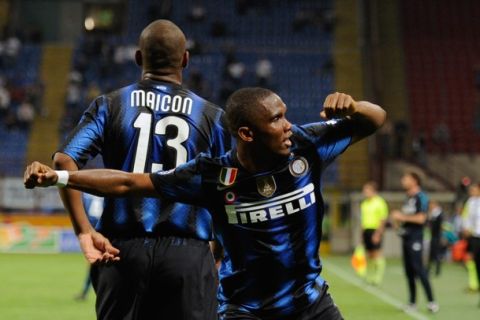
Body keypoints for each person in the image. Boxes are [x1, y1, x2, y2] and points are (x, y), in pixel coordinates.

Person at [25, 88, 386, 319]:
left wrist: (354, 106)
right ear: (246, 133)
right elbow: (128, 182)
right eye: (277, 119)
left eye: (285, 114)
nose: (288, 125)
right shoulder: (211, 176)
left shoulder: (307, 145)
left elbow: (375, 119)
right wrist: (59, 177)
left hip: (311, 304)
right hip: (245, 311)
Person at [53, 20, 231, 320]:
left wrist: (84, 230)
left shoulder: (111, 105)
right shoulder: (213, 117)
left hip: (121, 253)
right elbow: (229, 186)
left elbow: (63, 162)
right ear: (185, 59)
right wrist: (218, 250)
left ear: (138, 58)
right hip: (187, 253)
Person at [391, 172, 439, 313]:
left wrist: (401, 216)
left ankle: (432, 301)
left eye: (405, 179)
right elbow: (406, 218)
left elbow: (421, 219)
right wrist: (397, 222)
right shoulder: (408, 198)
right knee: (409, 271)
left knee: (419, 269)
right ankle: (412, 302)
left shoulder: (421, 197)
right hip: (406, 238)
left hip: (416, 239)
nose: (403, 181)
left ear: (415, 180)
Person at [75, 192, 104, 301]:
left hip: (96, 231)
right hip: (102, 230)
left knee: (95, 264)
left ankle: (86, 292)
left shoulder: (86, 194)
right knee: (95, 264)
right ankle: (86, 292)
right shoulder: (105, 190)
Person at [359, 181, 388, 285]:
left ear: (373, 190)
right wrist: (362, 234)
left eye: (366, 189)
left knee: (377, 254)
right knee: (369, 255)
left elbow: (383, 219)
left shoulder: (380, 202)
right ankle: (370, 276)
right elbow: (363, 220)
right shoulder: (364, 204)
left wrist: (378, 233)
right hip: (366, 230)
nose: (364, 192)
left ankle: (378, 277)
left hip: (375, 230)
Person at [462, 182, 480, 302]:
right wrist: (467, 228)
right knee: (475, 262)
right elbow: (466, 217)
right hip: (475, 236)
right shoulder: (470, 202)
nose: (471, 191)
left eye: (474, 189)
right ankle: (476, 286)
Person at [427, 200, 445, 277]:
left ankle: (437, 270)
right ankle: (429, 269)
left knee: (436, 254)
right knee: (432, 254)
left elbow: (440, 226)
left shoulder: (438, 214)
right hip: (433, 236)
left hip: (437, 236)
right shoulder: (433, 214)